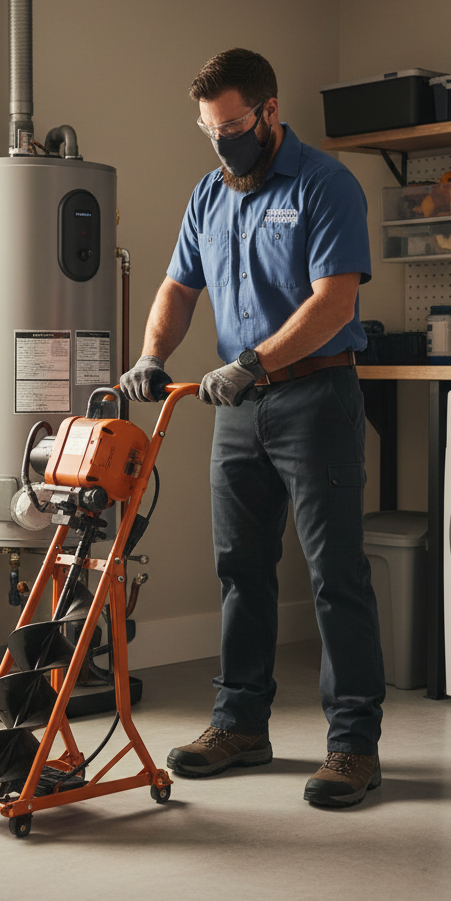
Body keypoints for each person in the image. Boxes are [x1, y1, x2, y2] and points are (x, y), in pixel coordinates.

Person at [120, 48, 385, 808]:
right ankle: (240, 726)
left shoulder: (326, 184)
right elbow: (178, 284)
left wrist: (253, 362)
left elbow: (334, 303)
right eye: (209, 129)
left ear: (268, 112)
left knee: (336, 577)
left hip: (314, 398)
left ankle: (352, 747)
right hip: (237, 409)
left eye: (233, 125)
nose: (222, 139)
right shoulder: (210, 193)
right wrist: (151, 354)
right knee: (240, 570)